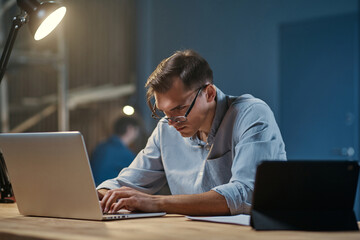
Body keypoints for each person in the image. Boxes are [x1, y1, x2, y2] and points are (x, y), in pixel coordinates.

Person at [97, 50, 287, 216]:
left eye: (179, 109)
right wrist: (98, 195)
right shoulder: (166, 128)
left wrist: (156, 202)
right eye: (164, 112)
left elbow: (246, 193)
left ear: (209, 93)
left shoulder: (251, 115)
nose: (171, 123)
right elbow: (125, 183)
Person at [90, 116, 140, 186]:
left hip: (92, 191)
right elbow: (139, 179)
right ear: (130, 129)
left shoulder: (99, 147)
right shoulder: (126, 154)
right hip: (109, 193)